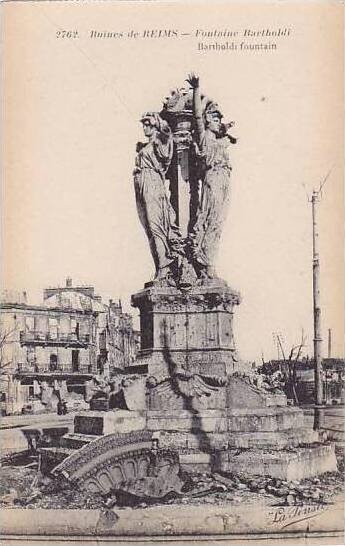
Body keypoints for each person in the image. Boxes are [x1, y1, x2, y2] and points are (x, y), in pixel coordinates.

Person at [186, 74, 235, 281]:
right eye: (214, 119)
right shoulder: (204, 136)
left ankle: (208, 262)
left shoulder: (220, 140)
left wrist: (226, 129)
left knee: (218, 223)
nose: (218, 122)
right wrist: (197, 90)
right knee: (209, 220)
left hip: (224, 180)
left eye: (219, 119)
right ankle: (205, 262)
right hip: (213, 179)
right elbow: (197, 117)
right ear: (207, 120)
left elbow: (223, 132)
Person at [134, 112, 182, 283]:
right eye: (144, 124)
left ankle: (164, 267)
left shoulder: (159, 142)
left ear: (155, 125)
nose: (144, 127)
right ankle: (159, 267)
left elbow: (167, 138)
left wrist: (161, 123)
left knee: (156, 226)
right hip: (142, 184)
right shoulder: (145, 145)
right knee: (148, 227)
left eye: (148, 123)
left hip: (153, 183)